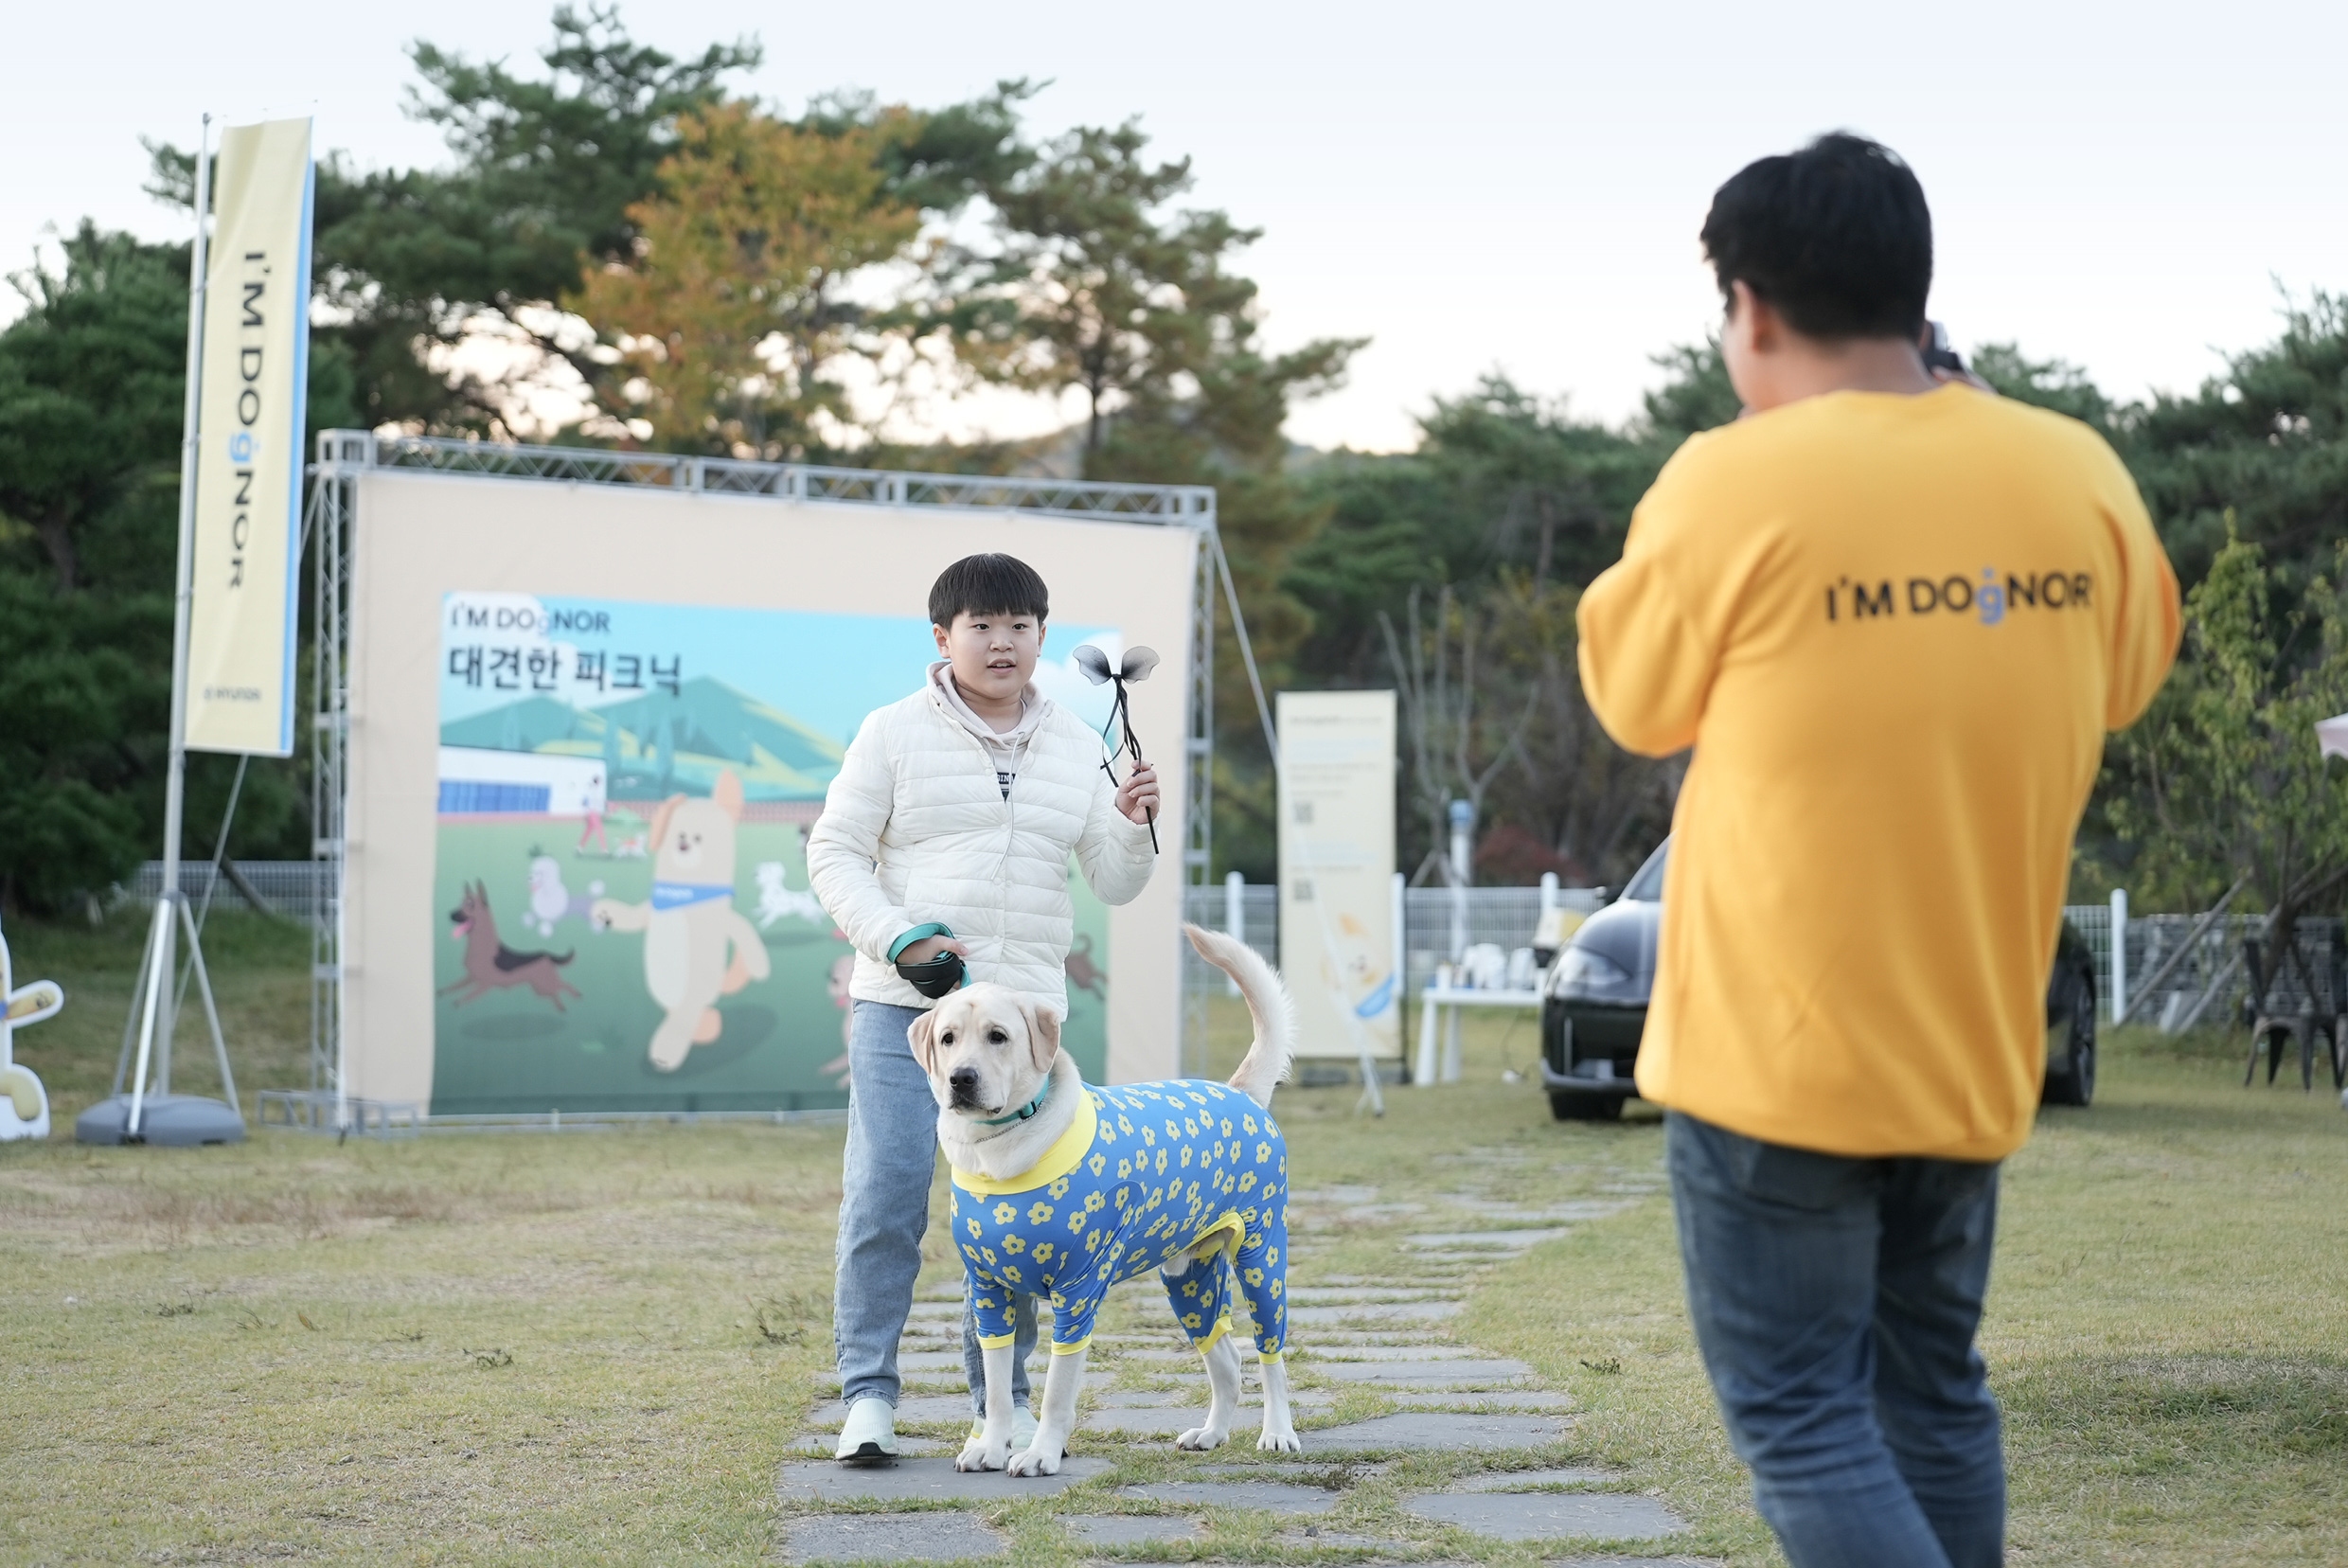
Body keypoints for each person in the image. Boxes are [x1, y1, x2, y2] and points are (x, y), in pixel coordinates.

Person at [1576, 133, 2180, 1568]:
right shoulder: (2072, 470)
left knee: (1802, 1418)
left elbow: (1632, 699)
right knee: (1933, 1398)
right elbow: (2131, 672)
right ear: (1917, 293)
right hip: (1967, 1047)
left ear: (1750, 310)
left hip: (1770, 1057)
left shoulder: (1729, 482)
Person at [806, 552, 1160, 1463]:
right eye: (982, 626)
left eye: (1020, 627)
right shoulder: (892, 732)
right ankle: (868, 1399)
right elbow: (833, 852)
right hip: (909, 1012)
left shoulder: (1079, 743)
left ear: (1042, 636)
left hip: (1022, 1029)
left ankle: (996, 1410)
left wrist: (1131, 825)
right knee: (885, 1196)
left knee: (1022, 1214)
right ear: (943, 637)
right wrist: (898, 940)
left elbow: (1114, 883)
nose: (1002, 643)